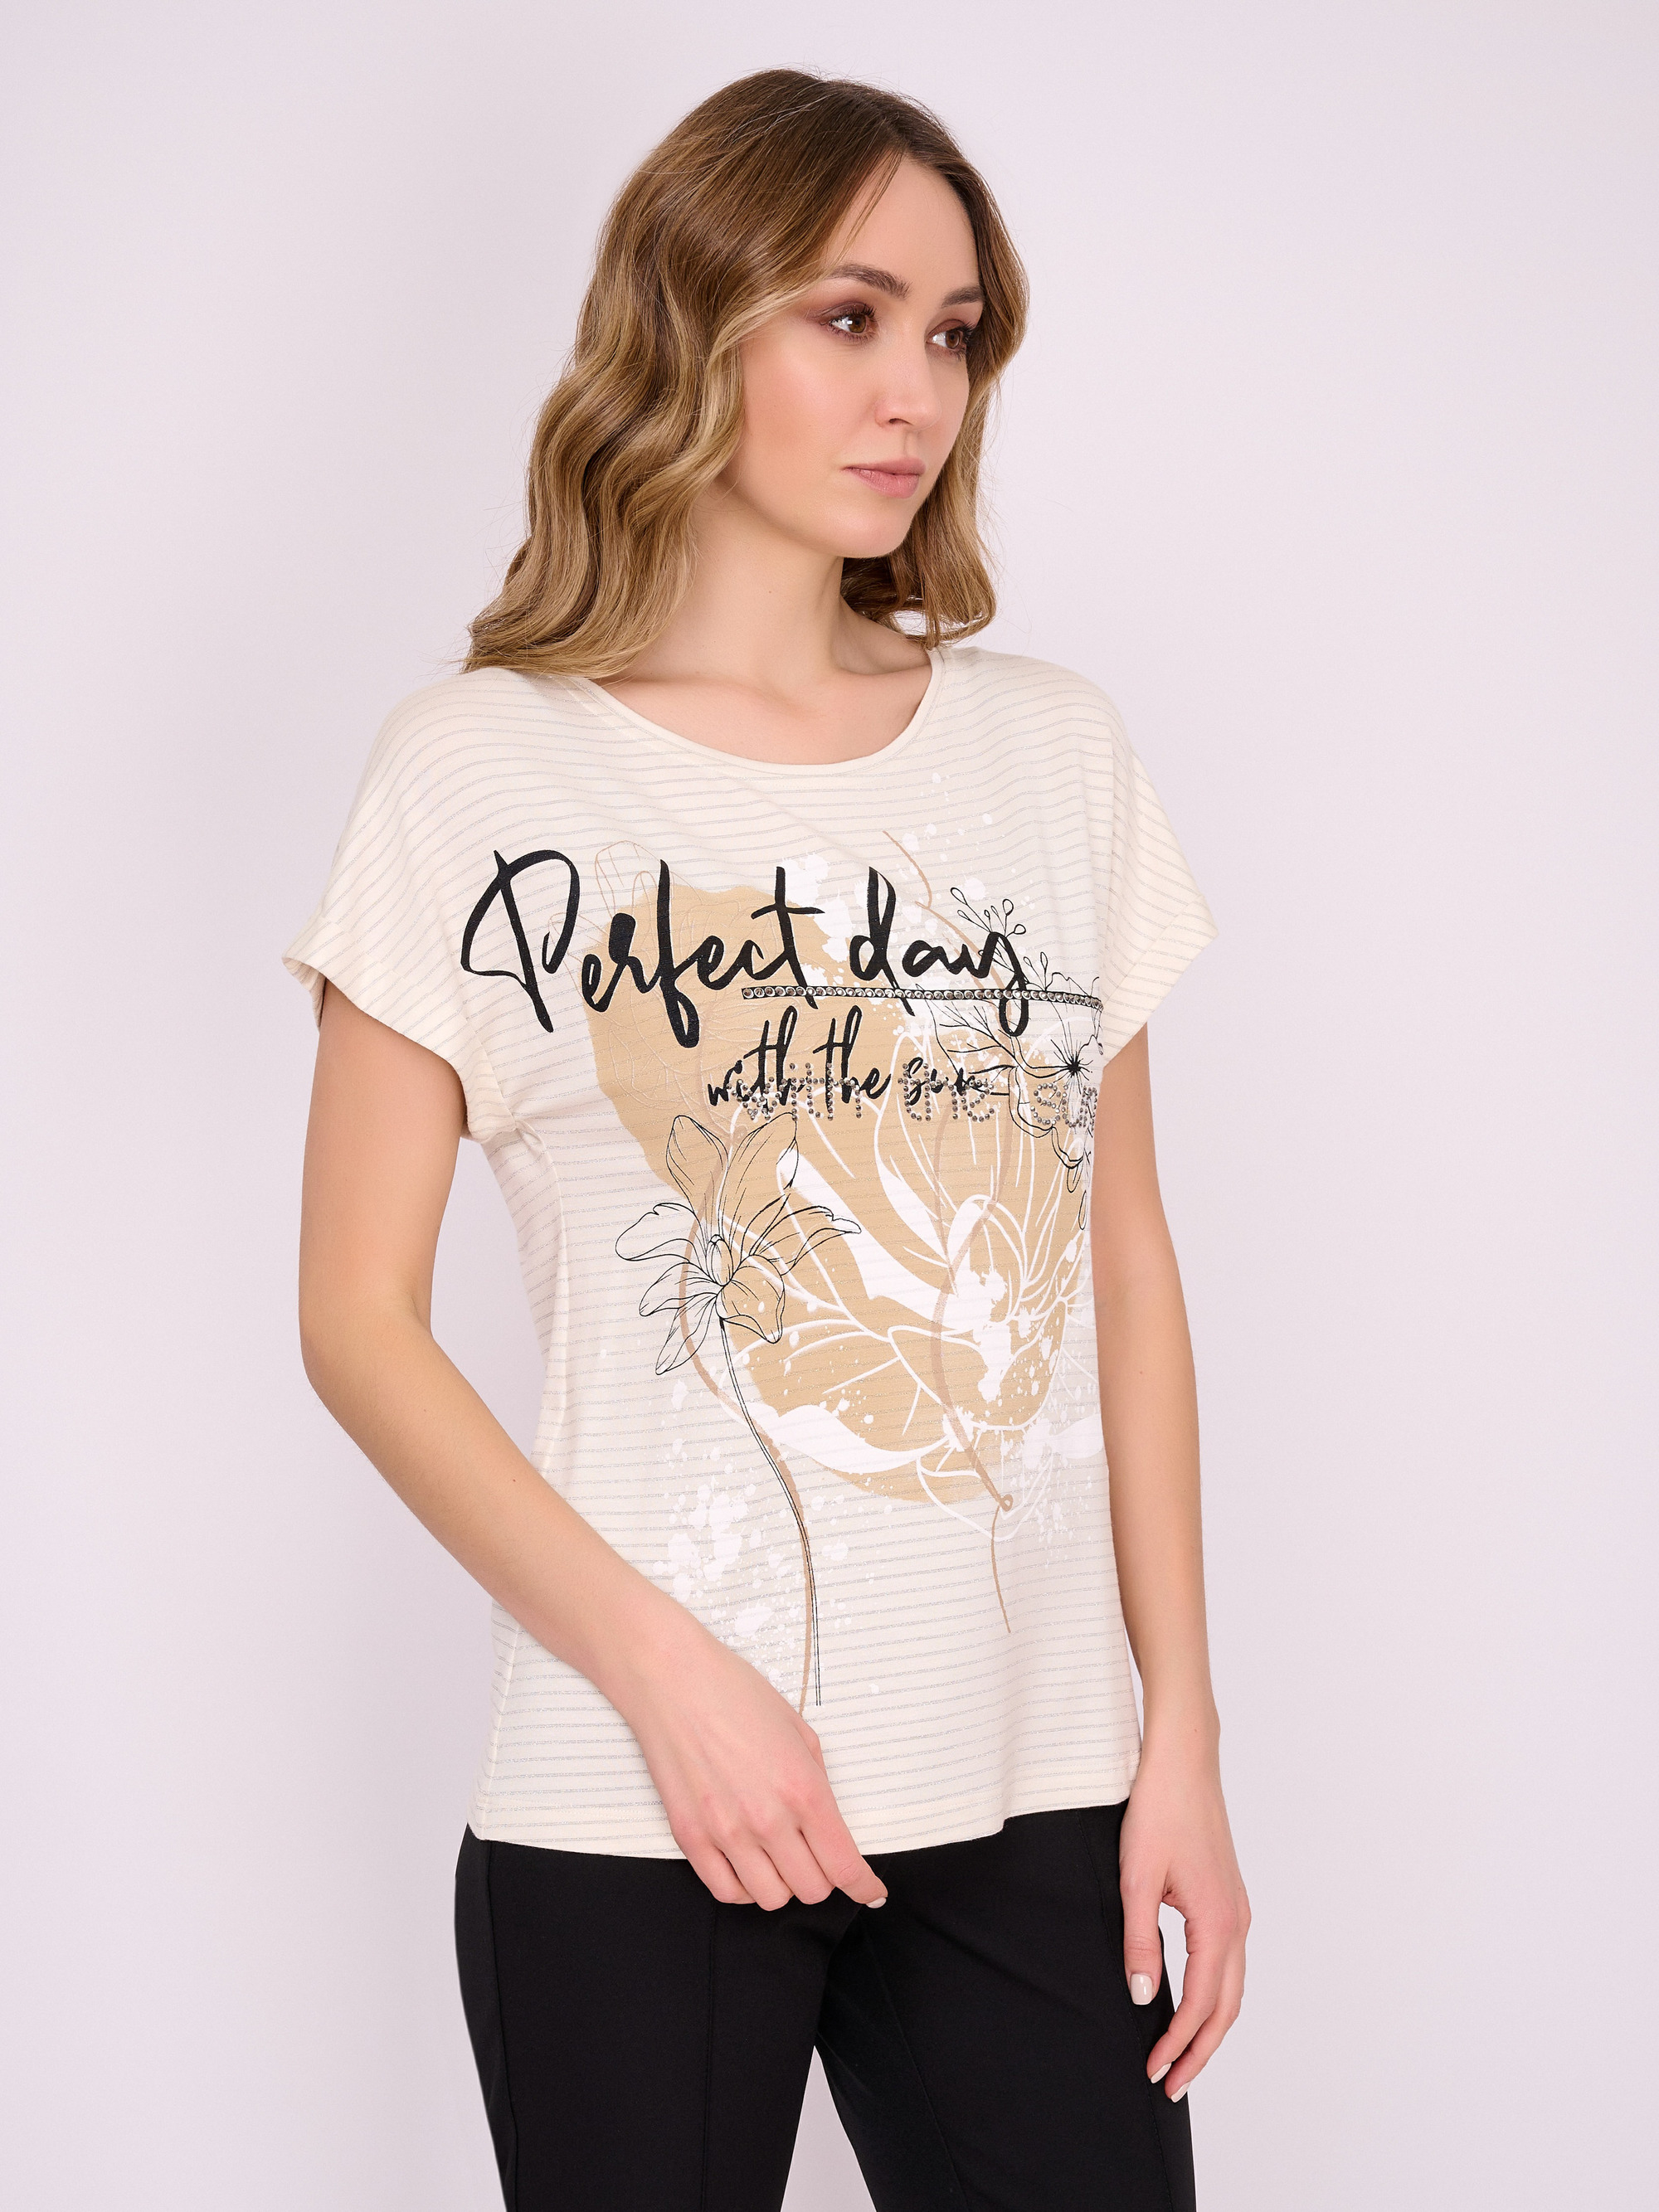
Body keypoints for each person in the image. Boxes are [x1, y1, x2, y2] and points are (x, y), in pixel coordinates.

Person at [287, 66, 1249, 2212]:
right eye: (849, 314)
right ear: (690, 320)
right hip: (641, 1797)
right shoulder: (474, 774)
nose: (918, 389)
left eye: (954, 331)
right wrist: (669, 1678)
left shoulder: (1053, 754)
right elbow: (354, 1318)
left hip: (1032, 1792)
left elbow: (1125, 1265)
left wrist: (1176, 1728)